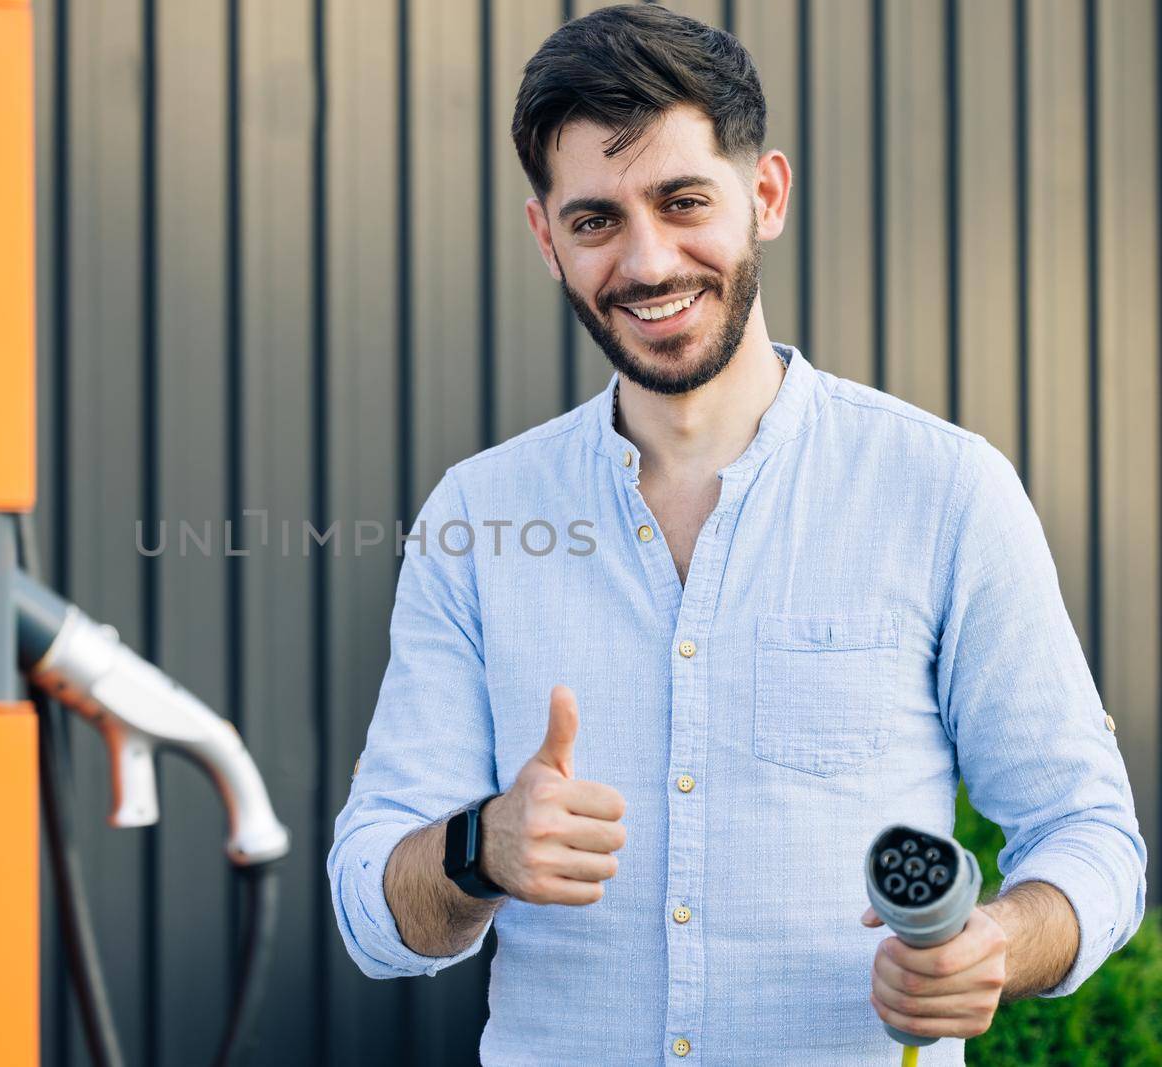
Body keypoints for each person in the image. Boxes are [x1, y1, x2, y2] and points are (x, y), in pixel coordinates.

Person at [325, 5, 1149, 1064]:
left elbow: (1091, 834)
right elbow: (368, 911)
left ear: (764, 195)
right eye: (595, 220)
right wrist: (479, 846)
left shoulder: (944, 491)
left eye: (682, 202)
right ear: (547, 239)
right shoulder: (476, 517)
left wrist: (995, 941)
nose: (648, 260)